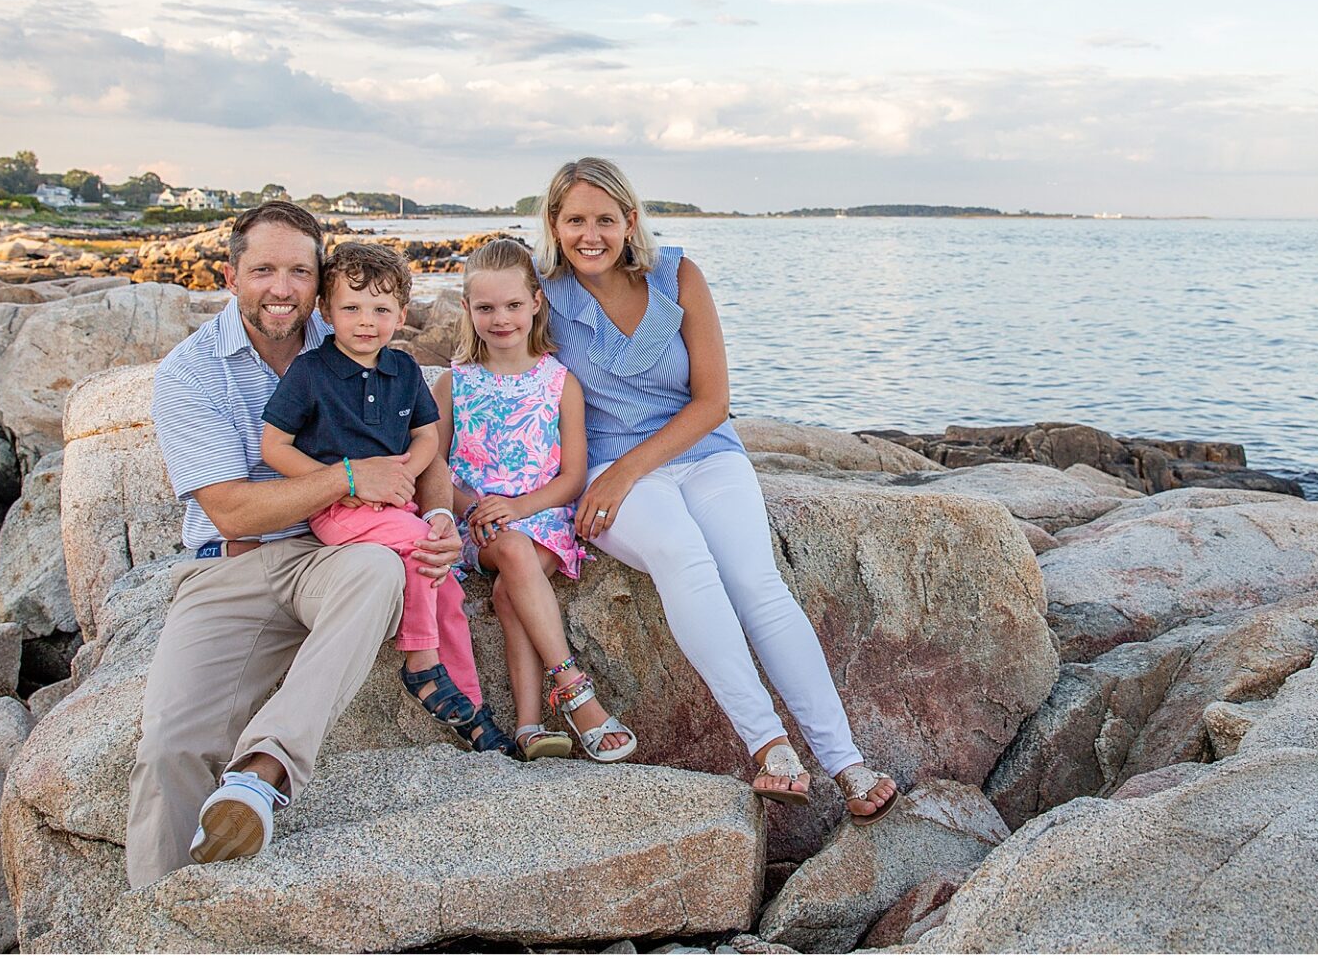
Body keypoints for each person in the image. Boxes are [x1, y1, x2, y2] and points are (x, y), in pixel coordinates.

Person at [534, 157, 900, 822]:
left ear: (630, 221)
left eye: (605, 220)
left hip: (700, 454)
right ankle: (770, 746)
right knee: (683, 556)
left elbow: (712, 403)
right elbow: (487, 365)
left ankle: (845, 762)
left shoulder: (677, 276)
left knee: (756, 581)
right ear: (554, 225)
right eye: (575, 220)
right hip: (606, 469)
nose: (591, 234)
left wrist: (630, 468)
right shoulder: (540, 294)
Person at [125, 200, 468, 887]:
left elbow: (420, 445)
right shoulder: (190, 373)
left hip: (339, 555)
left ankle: (262, 775)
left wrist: (439, 520)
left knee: (377, 569)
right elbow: (230, 512)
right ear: (230, 276)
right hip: (235, 568)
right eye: (262, 270)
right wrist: (347, 477)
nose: (280, 288)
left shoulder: (357, 334)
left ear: (320, 280)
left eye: (297, 272)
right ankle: (159, 918)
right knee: (169, 746)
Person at [259, 240, 514, 757]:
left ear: (402, 314)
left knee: (448, 591)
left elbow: (426, 437)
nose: (365, 321)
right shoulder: (310, 373)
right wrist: (342, 480)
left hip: (395, 508)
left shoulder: (403, 370)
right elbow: (273, 446)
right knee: (428, 548)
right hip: (339, 512)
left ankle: (470, 707)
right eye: (350, 308)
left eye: (380, 309)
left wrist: (405, 475)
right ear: (326, 311)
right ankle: (420, 662)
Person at [443, 237, 637, 763]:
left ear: (536, 303)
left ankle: (529, 725)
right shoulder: (453, 383)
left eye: (512, 305)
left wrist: (520, 508)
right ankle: (573, 689)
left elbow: (573, 476)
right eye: (485, 307)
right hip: (479, 526)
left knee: (512, 588)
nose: (500, 318)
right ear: (467, 308)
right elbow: (435, 468)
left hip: (545, 518)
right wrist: (472, 507)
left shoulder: (558, 382)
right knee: (509, 550)